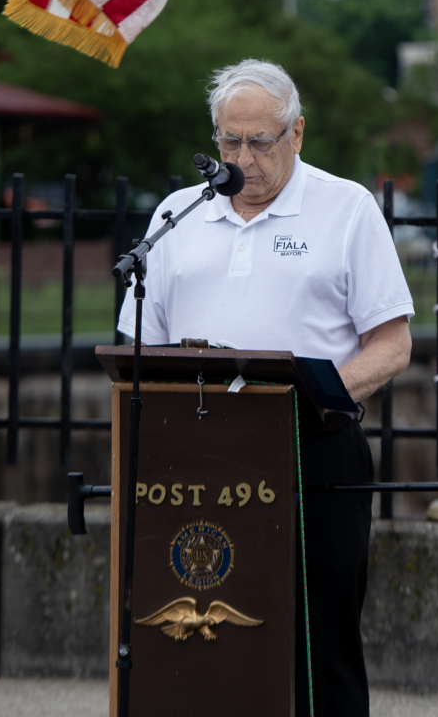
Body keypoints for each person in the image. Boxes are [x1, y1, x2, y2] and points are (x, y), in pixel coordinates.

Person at [117, 58, 413, 717]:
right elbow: (141, 348)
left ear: (297, 134)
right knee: (201, 635)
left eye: (261, 141)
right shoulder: (176, 214)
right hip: (195, 459)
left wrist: (313, 391)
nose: (244, 159)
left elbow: (393, 346)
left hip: (313, 449)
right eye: (229, 141)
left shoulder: (346, 209)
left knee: (321, 642)